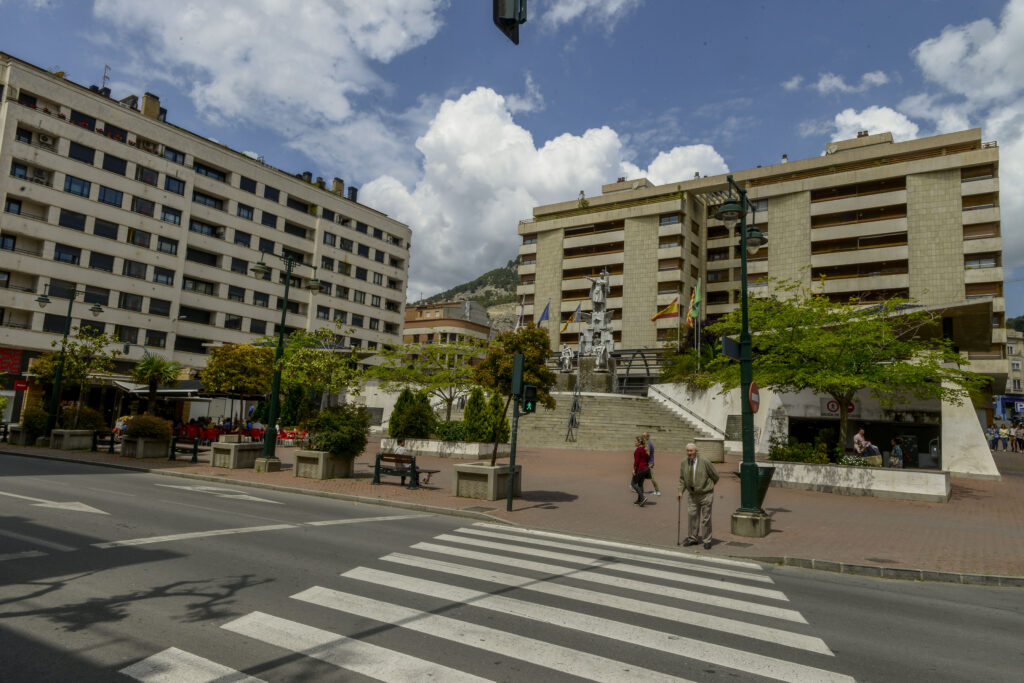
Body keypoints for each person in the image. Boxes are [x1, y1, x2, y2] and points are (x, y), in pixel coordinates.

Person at [678, 442, 719, 549]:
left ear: (696, 451)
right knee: (692, 517)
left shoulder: (704, 461)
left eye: (691, 451)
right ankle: (692, 539)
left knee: (706, 518)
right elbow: (682, 478)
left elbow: (715, 475)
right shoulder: (684, 462)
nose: (689, 453)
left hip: (706, 494)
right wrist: (680, 491)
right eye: (687, 451)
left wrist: (708, 486)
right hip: (692, 495)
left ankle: (707, 540)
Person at [630, 436, 651, 507]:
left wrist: (633, 470)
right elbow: (647, 459)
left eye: (635, 441)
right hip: (646, 469)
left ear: (639, 443)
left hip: (640, 469)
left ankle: (642, 498)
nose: (634, 442)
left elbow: (636, 462)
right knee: (640, 484)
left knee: (633, 484)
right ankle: (639, 500)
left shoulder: (638, 450)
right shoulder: (645, 449)